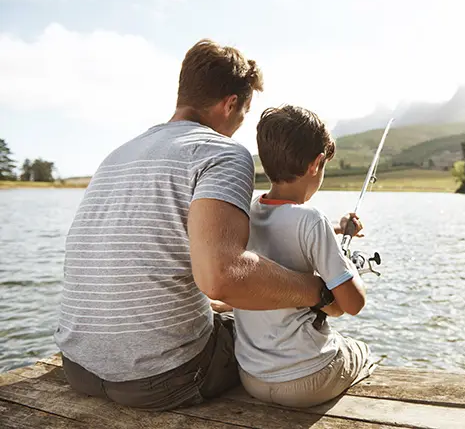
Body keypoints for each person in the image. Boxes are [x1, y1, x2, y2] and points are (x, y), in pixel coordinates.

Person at [54, 40, 330, 411]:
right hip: (161, 378)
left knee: (233, 310)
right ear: (230, 103)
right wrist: (316, 291)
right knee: (267, 333)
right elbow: (222, 275)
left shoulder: (117, 155)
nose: (237, 126)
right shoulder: (221, 152)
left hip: (78, 367)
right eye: (243, 113)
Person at [231, 105, 377, 408]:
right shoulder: (313, 220)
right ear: (317, 163)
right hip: (308, 381)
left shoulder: (245, 211)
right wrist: (346, 261)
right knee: (362, 351)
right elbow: (353, 303)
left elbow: (283, 228)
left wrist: (336, 231)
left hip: (252, 378)